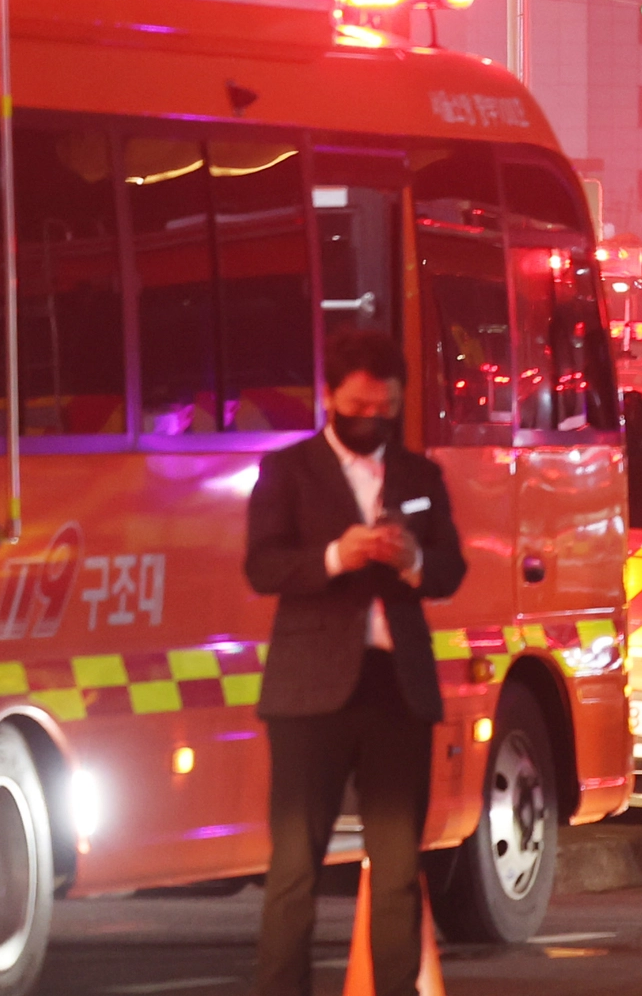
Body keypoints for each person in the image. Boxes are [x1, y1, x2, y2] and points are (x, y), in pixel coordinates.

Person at [246, 329, 468, 996]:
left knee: (398, 867)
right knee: (294, 867)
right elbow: (261, 565)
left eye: (385, 409)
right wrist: (337, 555)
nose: (371, 419)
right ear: (330, 398)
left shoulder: (419, 475)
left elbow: (451, 567)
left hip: (397, 691)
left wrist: (415, 563)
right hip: (308, 691)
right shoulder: (288, 470)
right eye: (358, 406)